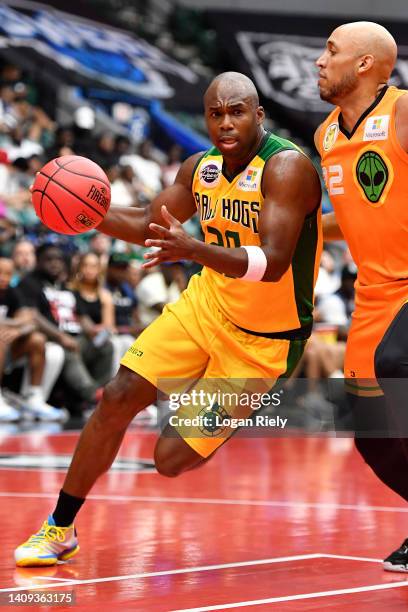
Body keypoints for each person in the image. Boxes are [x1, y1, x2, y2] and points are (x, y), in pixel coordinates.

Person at [14, 71, 322, 566]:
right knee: (116, 398)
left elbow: (274, 262)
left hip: (264, 339)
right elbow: (146, 223)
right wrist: (79, 207)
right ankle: (59, 528)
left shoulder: (286, 168)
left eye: (236, 111)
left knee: (168, 460)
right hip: (205, 306)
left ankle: (230, 407)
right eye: (215, 113)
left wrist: (194, 248)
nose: (225, 123)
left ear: (258, 115)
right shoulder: (198, 169)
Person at [315, 21, 408, 572]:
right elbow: (348, 218)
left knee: (396, 364)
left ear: (367, 63)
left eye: (331, 50)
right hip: (373, 296)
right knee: (373, 439)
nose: (320, 61)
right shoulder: (327, 134)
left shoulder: (402, 113)